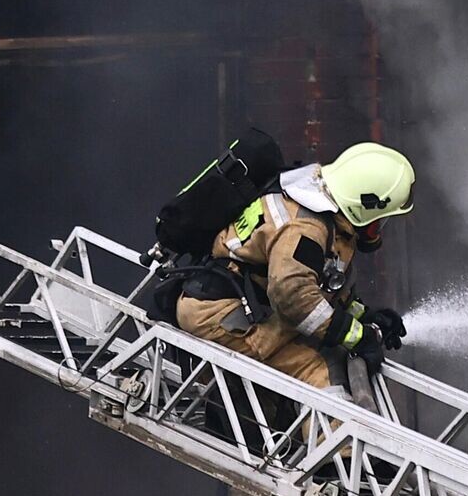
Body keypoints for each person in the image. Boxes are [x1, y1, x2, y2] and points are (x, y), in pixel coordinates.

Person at [174, 141, 412, 399]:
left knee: (330, 350)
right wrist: (355, 335)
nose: (378, 230)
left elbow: (316, 283)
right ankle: (338, 438)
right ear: (363, 205)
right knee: (322, 372)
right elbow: (294, 298)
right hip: (224, 318)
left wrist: (364, 316)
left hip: (244, 305)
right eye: (379, 222)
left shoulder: (316, 199)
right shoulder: (306, 229)